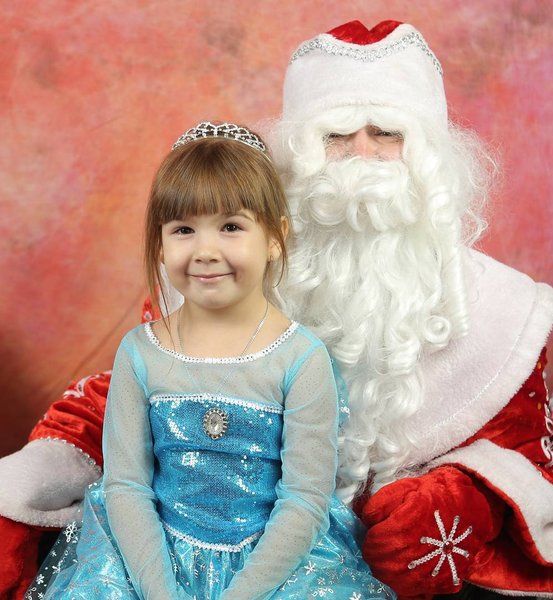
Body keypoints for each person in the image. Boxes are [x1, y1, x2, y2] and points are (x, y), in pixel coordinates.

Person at [1, 19, 553, 599]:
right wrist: (27, 483)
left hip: (307, 562)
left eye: (386, 132)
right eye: (335, 135)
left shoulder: (502, 312)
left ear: (431, 156)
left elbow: (526, 456)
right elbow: (132, 405)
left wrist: (456, 503)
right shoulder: (221, 274)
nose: (362, 154)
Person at [26, 122, 394, 599]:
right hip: (151, 560)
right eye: (183, 229)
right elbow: (127, 487)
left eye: (231, 227)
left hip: (275, 567)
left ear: (275, 238)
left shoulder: (301, 359)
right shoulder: (141, 352)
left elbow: (304, 500)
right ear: (160, 244)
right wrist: (160, 592)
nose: (205, 251)